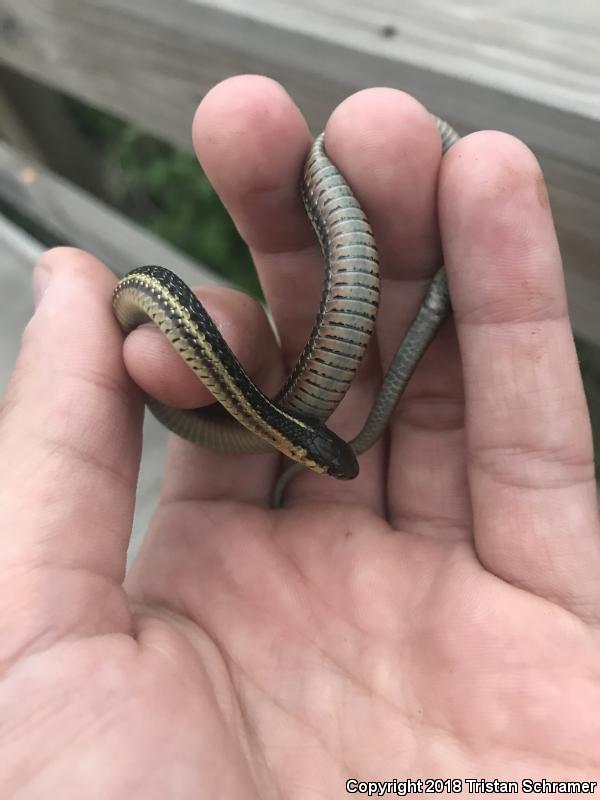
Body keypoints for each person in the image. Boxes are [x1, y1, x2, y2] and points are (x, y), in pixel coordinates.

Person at [1, 75, 598, 796]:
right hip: (167, 311)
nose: (330, 458)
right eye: (325, 455)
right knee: (182, 358)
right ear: (303, 447)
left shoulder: (274, 423)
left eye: (326, 453)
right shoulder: (275, 426)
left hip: (243, 381)